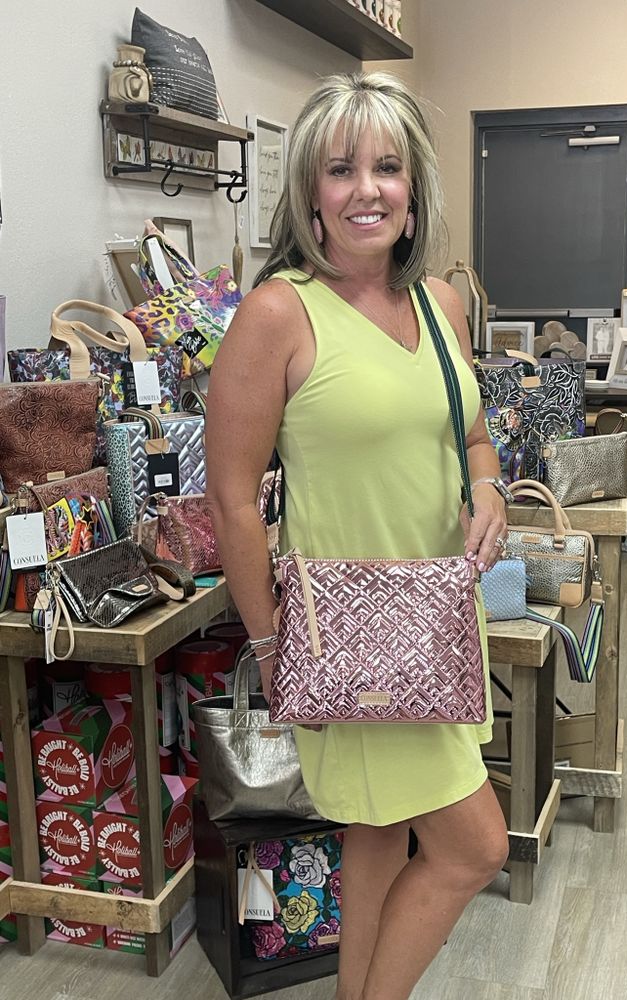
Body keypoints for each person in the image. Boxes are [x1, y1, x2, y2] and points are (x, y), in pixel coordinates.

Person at [206, 70, 509, 1000]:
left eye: (386, 167)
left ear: (415, 188)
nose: (366, 189)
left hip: (439, 633)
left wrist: (490, 485)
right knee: (474, 848)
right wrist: (274, 650)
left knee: (379, 837)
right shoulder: (279, 314)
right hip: (349, 645)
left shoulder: (441, 306)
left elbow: (471, 434)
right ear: (310, 192)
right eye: (341, 169)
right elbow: (232, 501)